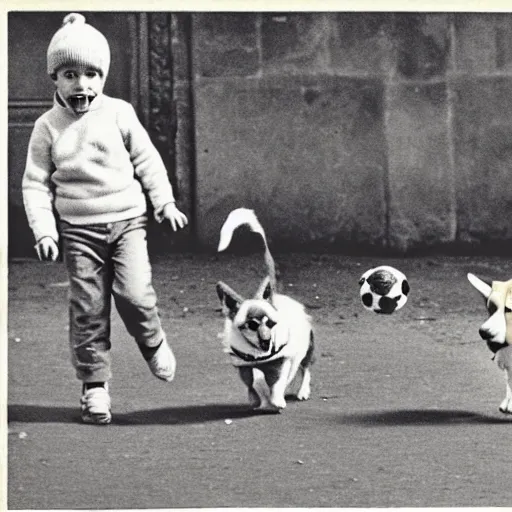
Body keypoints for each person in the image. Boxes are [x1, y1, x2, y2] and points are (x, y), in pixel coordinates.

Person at [22, 12, 189, 425]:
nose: (82, 85)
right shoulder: (46, 128)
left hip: (128, 222)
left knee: (134, 294)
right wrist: (44, 230)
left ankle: (152, 342)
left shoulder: (119, 113)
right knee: (87, 308)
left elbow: (148, 160)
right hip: (78, 232)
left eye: (92, 74)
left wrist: (164, 202)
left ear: (104, 77)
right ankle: (94, 386)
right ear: (54, 79)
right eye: (70, 74)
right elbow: (35, 183)